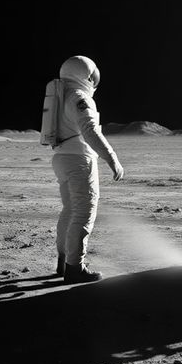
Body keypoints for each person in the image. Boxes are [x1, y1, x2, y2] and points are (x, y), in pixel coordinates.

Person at [52, 55, 124, 284]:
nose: (94, 80)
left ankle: (63, 261)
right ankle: (75, 268)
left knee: (70, 210)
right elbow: (90, 131)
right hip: (78, 159)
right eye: (92, 76)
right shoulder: (79, 97)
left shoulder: (62, 96)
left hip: (62, 158)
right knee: (83, 213)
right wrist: (112, 158)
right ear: (85, 76)